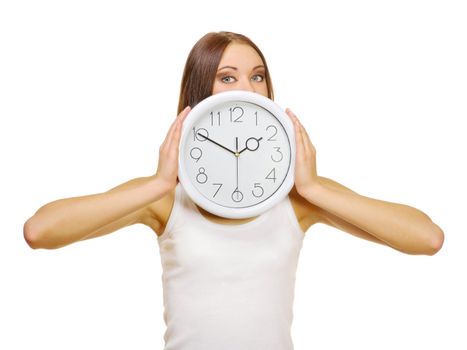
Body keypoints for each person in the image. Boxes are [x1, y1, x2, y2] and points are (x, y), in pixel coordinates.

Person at [23, 31, 444, 349]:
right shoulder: (165, 199)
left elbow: (427, 238)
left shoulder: (298, 198)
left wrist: (314, 186)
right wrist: (156, 183)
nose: (247, 88)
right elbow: (40, 231)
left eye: (257, 76)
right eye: (228, 77)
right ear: (201, 91)